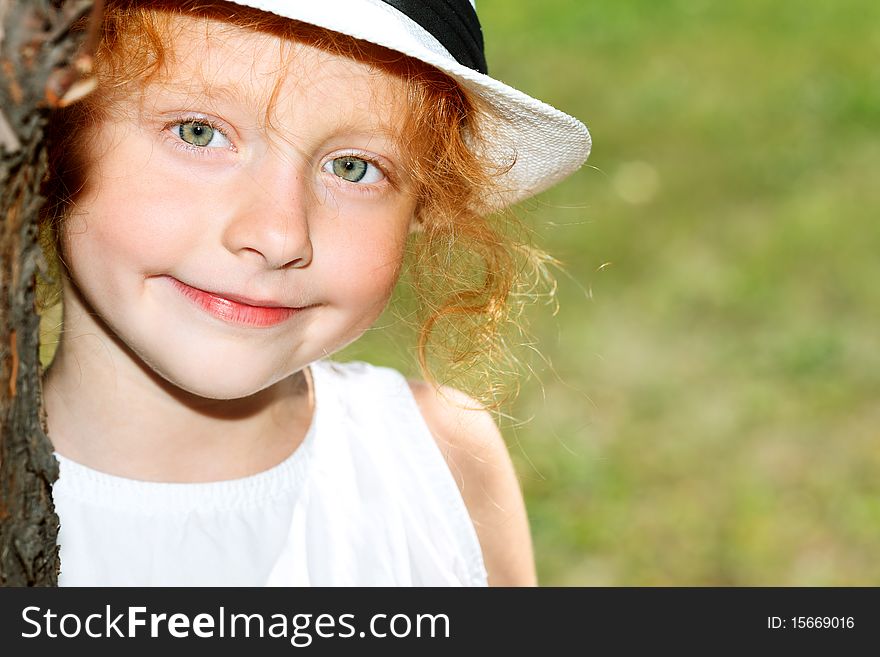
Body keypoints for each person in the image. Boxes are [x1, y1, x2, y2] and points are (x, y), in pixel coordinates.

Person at [39, 0, 591, 586]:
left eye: (353, 168)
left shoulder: (438, 460)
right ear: (55, 137)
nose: (279, 235)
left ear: (423, 206)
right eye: (198, 133)